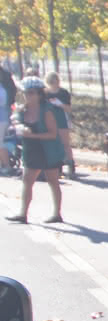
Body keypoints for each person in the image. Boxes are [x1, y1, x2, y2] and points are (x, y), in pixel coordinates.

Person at [7, 77, 67, 224]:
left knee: (52, 181)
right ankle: (23, 214)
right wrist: (18, 126)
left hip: (48, 150)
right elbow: (16, 122)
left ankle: (57, 214)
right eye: (25, 92)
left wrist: (32, 135)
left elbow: (53, 134)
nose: (28, 96)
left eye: (31, 93)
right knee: (27, 180)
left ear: (40, 94)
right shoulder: (23, 109)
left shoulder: (47, 110)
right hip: (31, 149)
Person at [42, 72, 74, 178]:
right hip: (49, 120)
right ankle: (57, 168)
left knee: (65, 144)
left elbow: (69, 109)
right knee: (53, 144)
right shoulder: (44, 93)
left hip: (62, 120)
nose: (53, 84)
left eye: (54, 81)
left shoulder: (63, 93)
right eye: (50, 82)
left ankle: (71, 166)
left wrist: (60, 104)